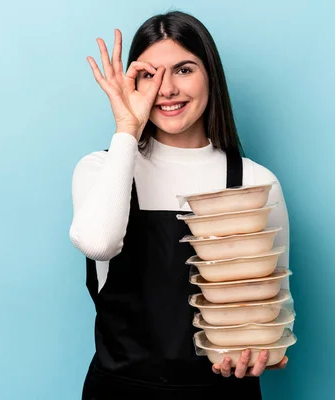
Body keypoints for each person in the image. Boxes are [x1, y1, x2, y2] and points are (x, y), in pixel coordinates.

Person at [70, 10, 291, 400]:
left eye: (184, 70)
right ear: (132, 84)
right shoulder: (102, 168)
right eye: (149, 75)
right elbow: (99, 244)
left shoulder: (256, 183)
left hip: (223, 392)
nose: (167, 88)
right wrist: (127, 130)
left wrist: (258, 354)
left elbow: (268, 310)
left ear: (211, 76)